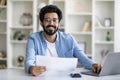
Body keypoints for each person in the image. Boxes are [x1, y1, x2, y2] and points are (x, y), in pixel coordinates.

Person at [25, 5, 102, 76]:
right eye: (47, 20)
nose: (51, 23)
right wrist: (31, 68)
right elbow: (29, 60)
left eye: (55, 20)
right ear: (41, 23)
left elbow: (83, 58)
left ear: (59, 24)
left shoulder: (69, 39)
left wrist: (93, 64)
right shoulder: (33, 39)